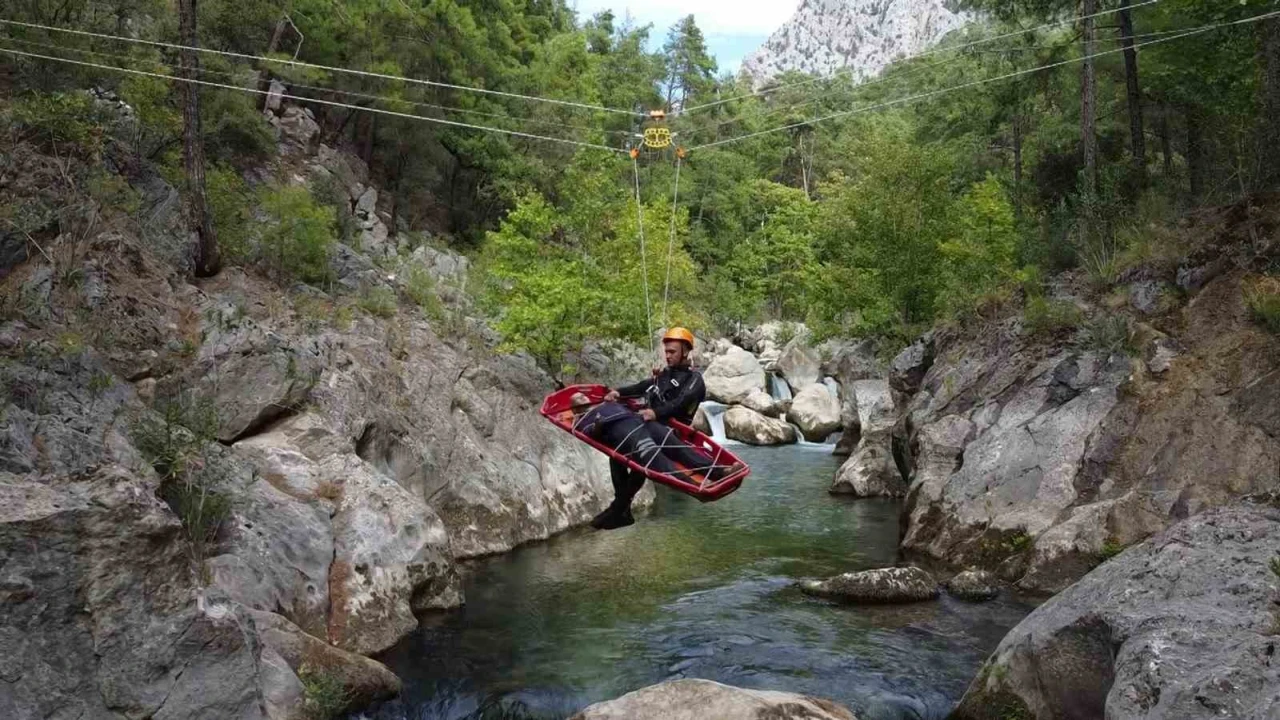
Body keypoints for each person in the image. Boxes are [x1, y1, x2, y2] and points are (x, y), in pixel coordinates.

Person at [588, 327, 739, 529]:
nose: (667, 356)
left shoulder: (695, 380)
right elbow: (643, 386)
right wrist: (618, 392)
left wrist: (656, 413)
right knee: (619, 452)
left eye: (672, 352)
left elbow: (681, 402)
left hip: (673, 431)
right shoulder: (665, 375)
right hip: (650, 426)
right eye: (666, 351)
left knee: (644, 446)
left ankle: (719, 472)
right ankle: (620, 509)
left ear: (685, 351)